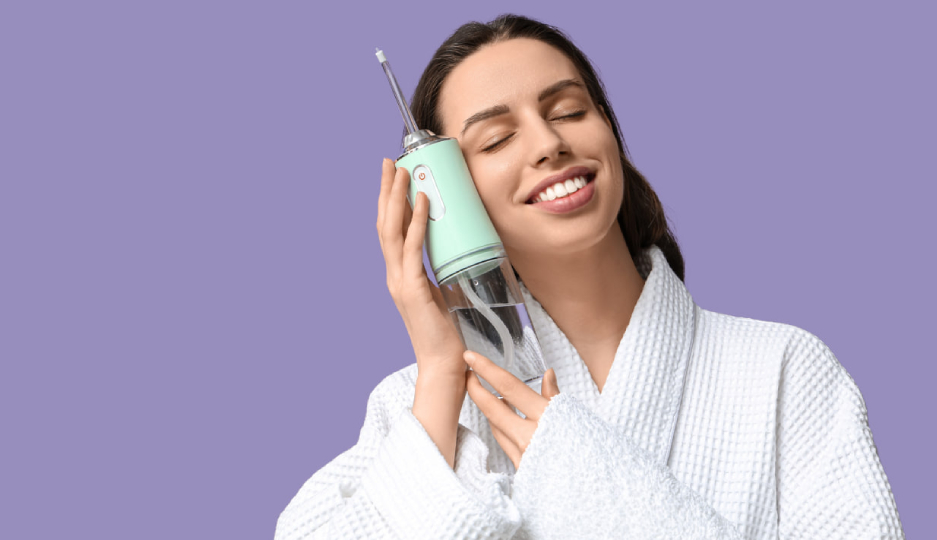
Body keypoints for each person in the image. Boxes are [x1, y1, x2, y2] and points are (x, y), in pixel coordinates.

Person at [275, 14, 904, 540]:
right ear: (447, 193)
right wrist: (442, 370)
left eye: (570, 110)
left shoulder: (784, 368)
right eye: (496, 140)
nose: (548, 143)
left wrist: (579, 472)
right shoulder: (419, 407)